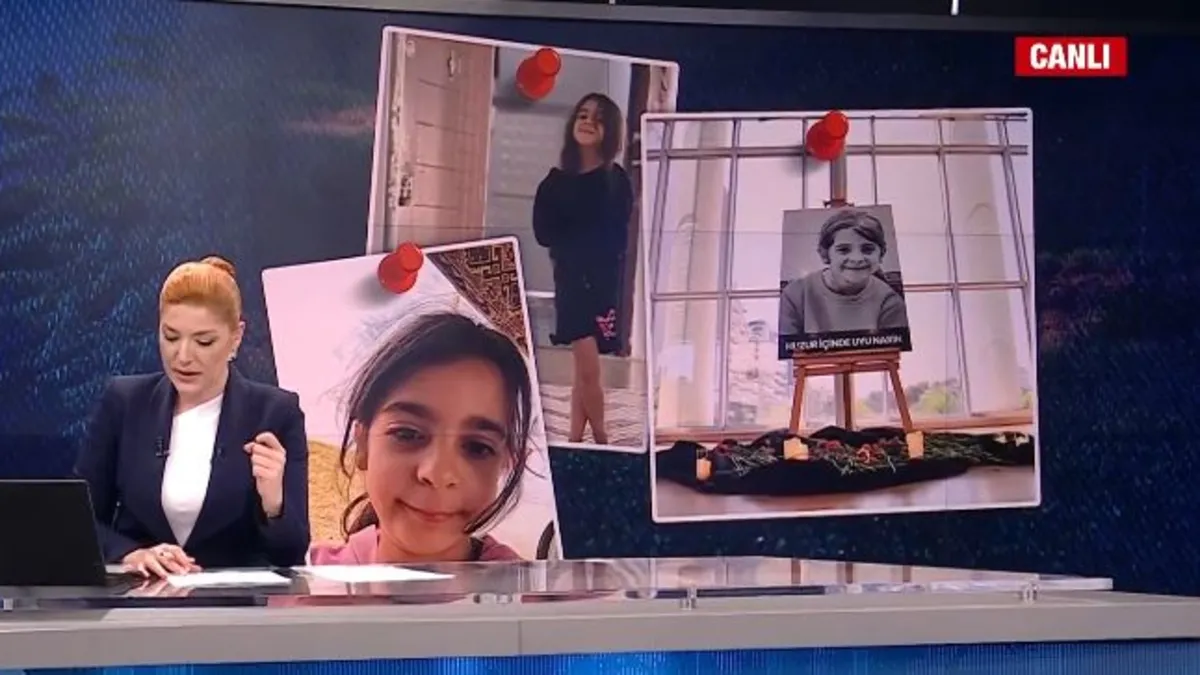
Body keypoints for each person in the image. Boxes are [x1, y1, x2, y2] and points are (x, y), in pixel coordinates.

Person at [75, 256, 310, 578]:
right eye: (171, 337)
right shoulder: (124, 402)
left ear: (236, 337)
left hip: (233, 605)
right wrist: (131, 554)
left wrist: (274, 505)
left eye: (203, 341)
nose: (183, 356)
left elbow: (291, 554)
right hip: (141, 597)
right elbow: (80, 520)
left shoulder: (275, 413)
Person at [307, 312, 532, 564]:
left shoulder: (531, 588)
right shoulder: (305, 577)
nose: (437, 474)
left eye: (477, 447)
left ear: (505, 463)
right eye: (407, 434)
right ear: (363, 446)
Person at [532, 92, 634, 445]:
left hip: (603, 284)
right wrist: (577, 236)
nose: (588, 121)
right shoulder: (554, 183)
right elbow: (544, 234)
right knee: (589, 369)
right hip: (571, 283)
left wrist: (578, 237)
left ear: (611, 131)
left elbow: (618, 237)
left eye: (598, 118)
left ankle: (576, 437)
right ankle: (602, 438)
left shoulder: (616, 180)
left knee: (584, 370)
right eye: (583, 114)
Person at [778, 209, 908, 338]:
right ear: (825, 254)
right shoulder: (795, 295)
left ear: (881, 254)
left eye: (867, 249)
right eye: (844, 250)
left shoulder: (889, 302)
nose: (857, 259)